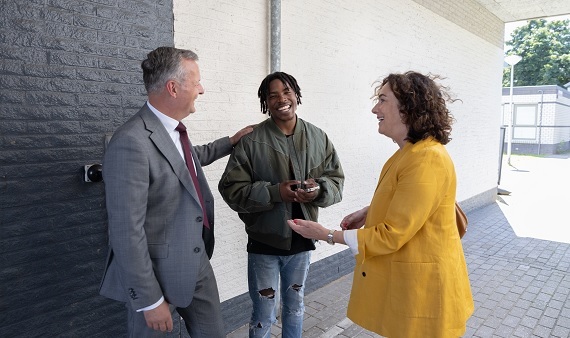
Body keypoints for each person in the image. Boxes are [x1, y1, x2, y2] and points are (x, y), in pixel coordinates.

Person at [288, 71, 474, 338]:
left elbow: (391, 235)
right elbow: (413, 202)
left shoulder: (425, 158)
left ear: (408, 107)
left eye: (383, 100)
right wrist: (368, 212)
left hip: (426, 294)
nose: (375, 108)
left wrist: (325, 234)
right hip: (413, 290)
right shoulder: (410, 153)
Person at [99, 46, 253, 338]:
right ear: (173, 88)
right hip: (156, 277)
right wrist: (150, 300)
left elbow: (186, 160)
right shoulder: (130, 142)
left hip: (197, 263)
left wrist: (230, 142)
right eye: (196, 83)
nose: (202, 90)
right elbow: (125, 231)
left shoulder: (173, 130)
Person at [218, 71, 344, 338]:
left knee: (295, 306)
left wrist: (318, 190)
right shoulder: (251, 141)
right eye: (273, 95)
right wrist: (275, 192)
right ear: (265, 101)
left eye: (287, 92)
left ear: (296, 95)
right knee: (264, 312)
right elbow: (230, 189)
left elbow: (336, 182)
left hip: (302, 241)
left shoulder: (318, 137)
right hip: (264, 244)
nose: (281, 99)